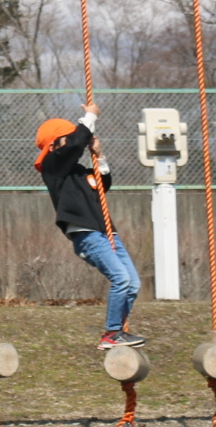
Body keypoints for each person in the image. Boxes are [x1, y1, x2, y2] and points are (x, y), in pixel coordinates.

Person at [36, 111, 143, 350]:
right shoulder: (52, 168)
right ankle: (112, 333)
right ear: (55, 145)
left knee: (133, 283)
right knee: (121, 278)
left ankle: (119, 331)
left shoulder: (80, 172)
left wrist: (100, 156)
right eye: (68, 138)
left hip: (107, 232)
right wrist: (89, 117)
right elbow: (75, 144)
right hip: (87, 233)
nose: (74, 141)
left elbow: (102, 185)